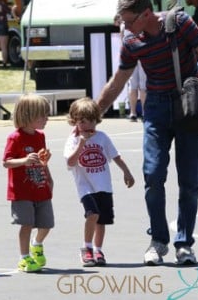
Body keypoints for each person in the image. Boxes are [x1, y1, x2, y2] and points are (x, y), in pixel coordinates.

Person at [96, 0, 198, 266]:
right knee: (152, 174)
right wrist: (92, 115)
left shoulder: (179, 23)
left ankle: (184, 244)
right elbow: (117, 82)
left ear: (146, 14)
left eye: (128, 21)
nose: (124, 27)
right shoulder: (131, 40)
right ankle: (158, 241)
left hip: (189, 104)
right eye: (121, 21)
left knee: (188, 181)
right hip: (156, 109)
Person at [64, 97, 134, 267]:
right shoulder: (73, 140)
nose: (87, 125)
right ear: (75, 121)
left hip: (104, 185)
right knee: (92, 214)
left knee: (101, 220)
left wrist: (126, 171)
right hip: (85, 186)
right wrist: (81, 143)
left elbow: (115, 156)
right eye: (82, 121)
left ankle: (98, 249)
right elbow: (70, 162)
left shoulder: (102, 137)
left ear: (97, 120)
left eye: (91, 121)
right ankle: (86, 248)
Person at [2, 94, 54, 272]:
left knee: (46, 224)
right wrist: (23, 161)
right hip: (22, 191)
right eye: (43, 115)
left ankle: (37, 244)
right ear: (28, 116)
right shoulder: (15, 138)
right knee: (27, 224)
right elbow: (6, 162)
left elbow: (41, 160)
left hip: (40, 186)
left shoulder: (40, 136)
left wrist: (49, 176)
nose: (47, 119)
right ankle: (24, 258)